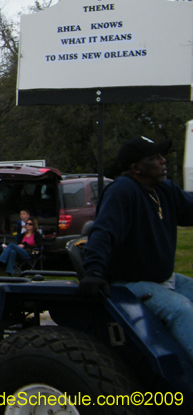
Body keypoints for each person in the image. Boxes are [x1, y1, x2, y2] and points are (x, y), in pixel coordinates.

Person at [81, 136, 193, 362]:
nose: (163, 161)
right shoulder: (122, 192)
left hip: (164, 279)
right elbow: (104, 232)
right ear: (136, 168)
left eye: (161, 156)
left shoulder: (165, 190)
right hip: (129, 284)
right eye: (155, 158)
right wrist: (93, 271)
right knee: (182, 310)